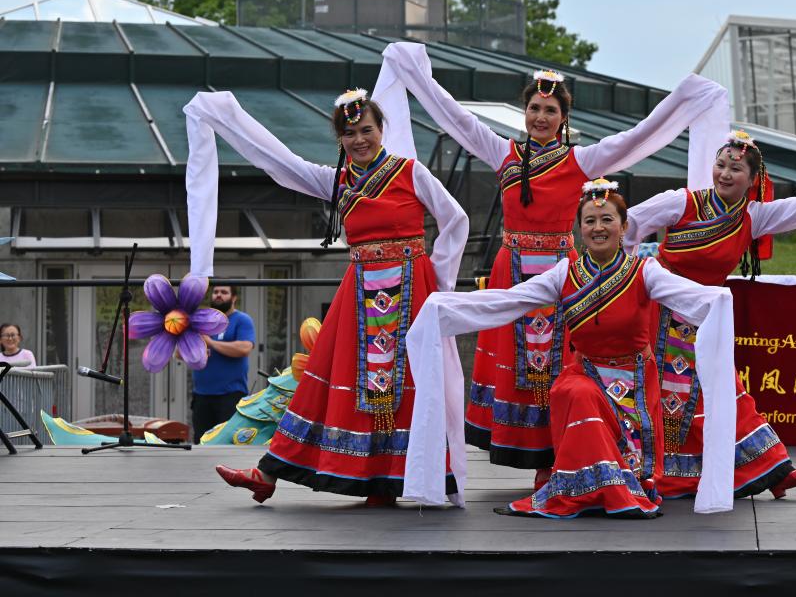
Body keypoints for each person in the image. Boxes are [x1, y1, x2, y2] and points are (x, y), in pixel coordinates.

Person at [374, 42, 728, 488]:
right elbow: (455, 116)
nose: (541, 117)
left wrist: (682, 99)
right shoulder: (501, 152)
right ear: (525, 112)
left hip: (565, 278)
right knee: (524, 376)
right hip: (515, 268)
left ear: (565, 118)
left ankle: (559, 456)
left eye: (551, 110)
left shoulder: (582, 160)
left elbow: (636, 136)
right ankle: (533, 454)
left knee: (561, 368)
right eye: (535, 108)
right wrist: (417, 76)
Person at [183, 85, 467, 505]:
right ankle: (268, 473)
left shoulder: (411, 172)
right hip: (360, 293)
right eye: (350, 134)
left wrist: (439, 288)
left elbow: (455, 219)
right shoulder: (337, 182)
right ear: (340, 139)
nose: (359, 140)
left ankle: (387, 482)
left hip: (412, 291)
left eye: (366, 130)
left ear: (381, 129)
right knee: (326, 385)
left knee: (408, 387)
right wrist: (228, 118)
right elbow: (284, 164)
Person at [401, 180, 737, 517]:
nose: (598, 227)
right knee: (576, 393)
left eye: (607, 219)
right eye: (590, 220)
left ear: (623, 227)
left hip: (633, 384)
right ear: (578, 230)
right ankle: (602, 489)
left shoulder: (645, 272)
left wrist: (718, 300)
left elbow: (688, 295)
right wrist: (442, 308)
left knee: (607, 430)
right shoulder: (565, 274)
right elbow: (509, 300)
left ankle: (611, 487)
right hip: (586, 374)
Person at [623, 132, 796, 500]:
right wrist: (628, 275)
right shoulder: (681, 204)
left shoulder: (753, 217)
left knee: (728, 392)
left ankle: (776, 471)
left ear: (753, 180)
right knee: (662, 396)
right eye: (720, 165)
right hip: (661, 316)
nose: (725, 174)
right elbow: (627, 224)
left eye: (735, 168)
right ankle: (650, 472)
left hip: (707, 319)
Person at [190, 284, 255, 443]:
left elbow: (245, 348)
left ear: (234, 298)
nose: (218, 295)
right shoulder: (201, 321)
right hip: (201, 397)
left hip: (230, 397)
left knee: (227, 444)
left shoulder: (242, 320)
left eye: (224, 292)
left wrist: (211, 343)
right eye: (216, 292)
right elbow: (179, 353)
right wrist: (196, 349)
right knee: (202, 443)